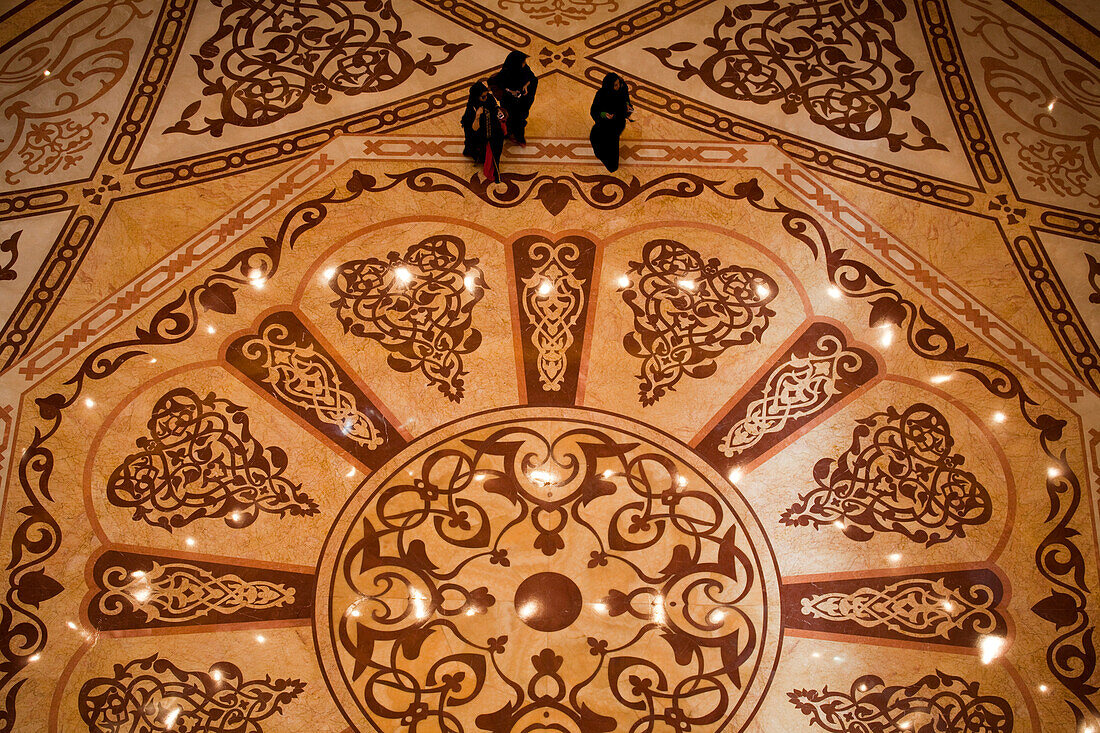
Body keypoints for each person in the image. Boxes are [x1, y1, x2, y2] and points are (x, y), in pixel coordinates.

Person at [461, 80, 506, 182]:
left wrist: (497, 110)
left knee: (495, 153)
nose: (486, 98)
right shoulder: (471, 109)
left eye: (486, 95)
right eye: (483, 97)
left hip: (494, 131)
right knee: (487, 155)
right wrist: (477, 116)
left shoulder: (488, 98)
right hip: (481, 137)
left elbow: (494, 105)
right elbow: (473, 129)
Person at [489, 50, 538, 145]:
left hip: (521, 103)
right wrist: (511, 91)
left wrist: (526, 85)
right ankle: (513, 135)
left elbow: (533, 79)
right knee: (512, 118)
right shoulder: (506, 73)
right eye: (523, 62)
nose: (525, 64)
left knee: (519, 118)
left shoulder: (525, 69)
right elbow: (500, 84)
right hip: (509, 103)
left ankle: (514, 135)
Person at [589, 72, 634, 172]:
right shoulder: (601, 94)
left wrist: (627, 106)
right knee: (596, 138)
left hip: (617, 123)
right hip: (605, 122)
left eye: (618, 84)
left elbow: (626, 99)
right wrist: (604, 114)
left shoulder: (622, 88)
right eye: (616, 85)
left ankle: (612, 166)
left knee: (612, 144)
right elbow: (594, 111)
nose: (618, 86)